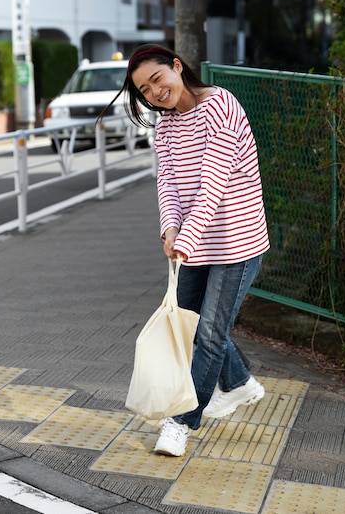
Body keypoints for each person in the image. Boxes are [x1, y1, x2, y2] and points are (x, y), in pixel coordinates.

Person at [100, 44, 270, 457]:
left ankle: (180, 422)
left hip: (236, 243)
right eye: (144, 90)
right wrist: (170, 229)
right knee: (190, 327)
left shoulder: (221, 107)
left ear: (176, 67)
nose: (155, 92)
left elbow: (214, 183)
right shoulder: (166, 126)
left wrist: (186, 238)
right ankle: (240, 384)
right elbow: (169, 183)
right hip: (194, 244)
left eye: (157, 79)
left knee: (209, 332)